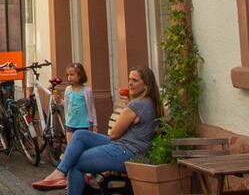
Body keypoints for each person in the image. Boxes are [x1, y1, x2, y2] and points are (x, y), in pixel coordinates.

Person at [30, 68, 162, 194]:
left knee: (75, 162)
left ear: (146, 85)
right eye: (129, 79)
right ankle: (60, 173)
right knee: (80, 134)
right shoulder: (150, 103)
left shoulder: (137, 105)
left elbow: (114, 134)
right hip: (128, 147)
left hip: (127, 151)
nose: (130, 83)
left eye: (135, 80)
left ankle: (60, 174)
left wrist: (126, 110)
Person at [62, 63, 94, 137]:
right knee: (70, 146)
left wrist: (94, 124)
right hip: (70, 123)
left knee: (81, 145)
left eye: (72, 75)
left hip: (83, 124)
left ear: (80, 75)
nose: (69, 77)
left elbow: (92, 108)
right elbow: (66, 105)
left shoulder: (86, 90)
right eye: (68, 75)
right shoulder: (67, 90)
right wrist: (60, 101)